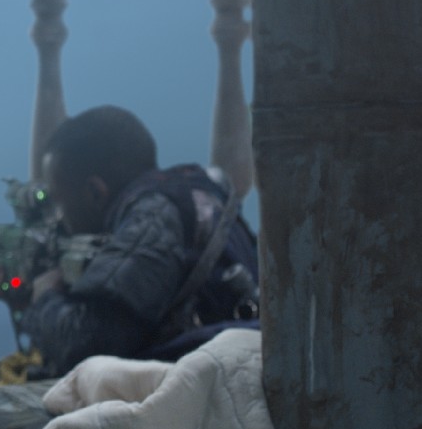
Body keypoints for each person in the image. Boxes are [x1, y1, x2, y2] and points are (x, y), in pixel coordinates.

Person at [16, 105, 259, 376]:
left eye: (61, 202)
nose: (60, 218)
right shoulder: (196, 198)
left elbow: (88, 342)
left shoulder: (152, 218)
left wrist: (44, 299)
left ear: (95, 192)